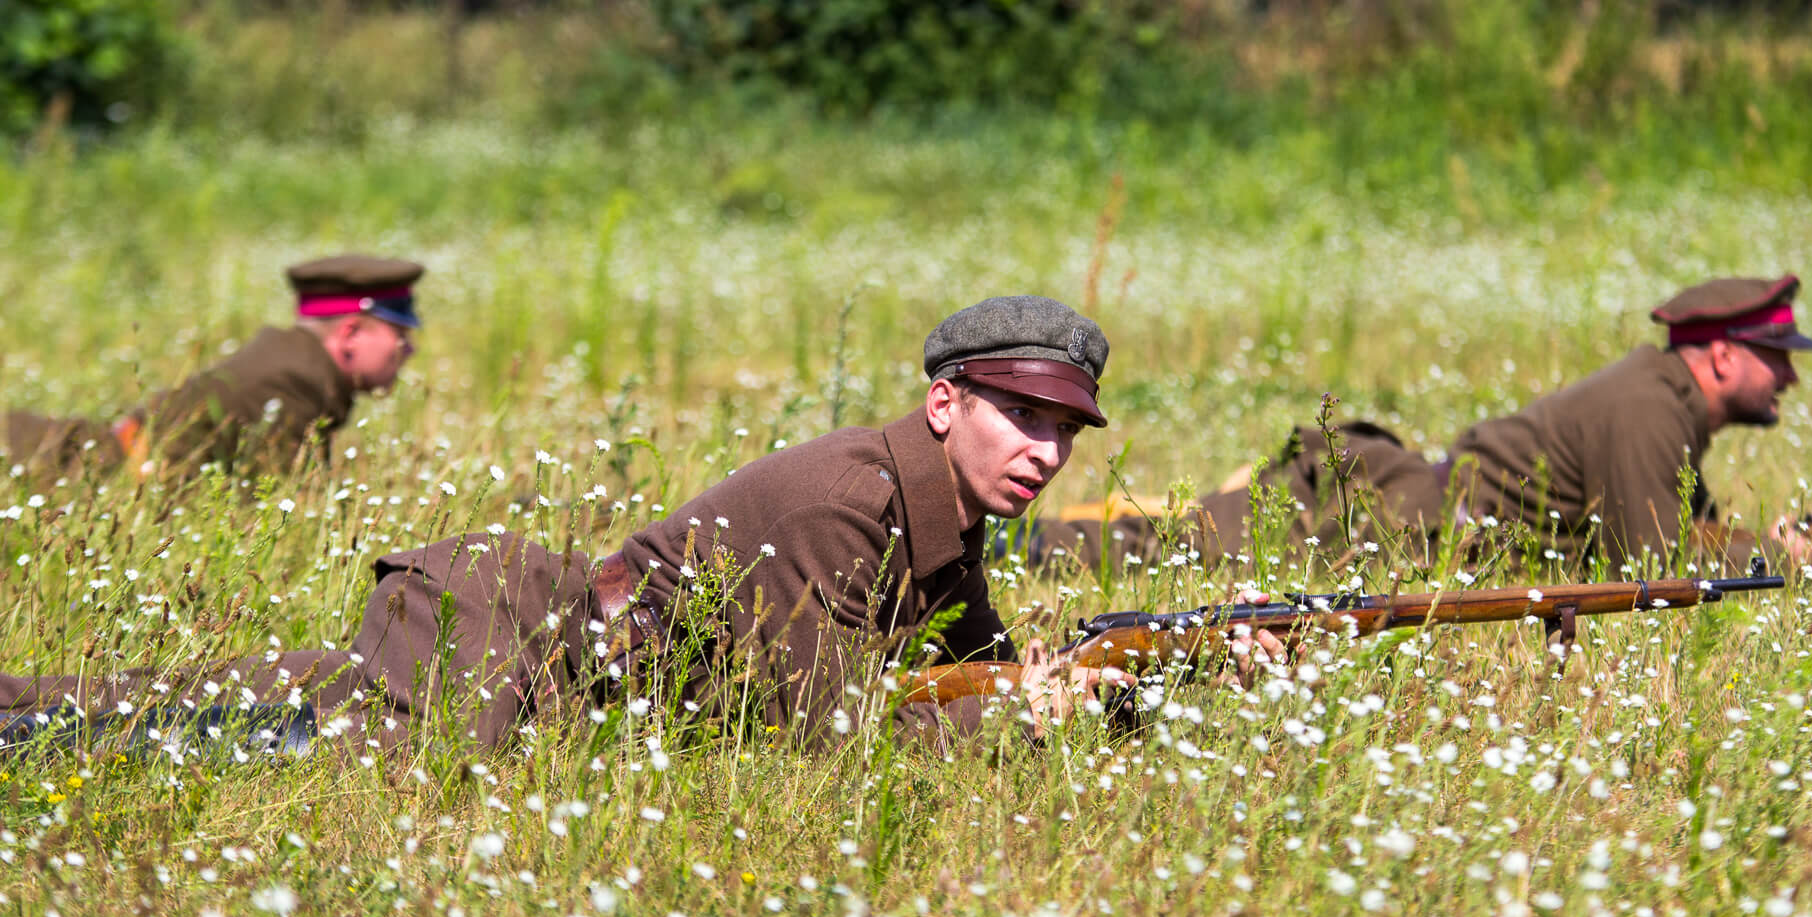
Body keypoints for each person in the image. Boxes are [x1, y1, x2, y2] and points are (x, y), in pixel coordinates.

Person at [0, 296, 1167, 757]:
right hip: (507, 644)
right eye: (1018, 416)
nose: (1045, 454)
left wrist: (1125, 684)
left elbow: (962, 672)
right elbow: (842, 745)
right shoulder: (847, 503)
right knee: (215, 741)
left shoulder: (935, 508)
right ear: (945, 403)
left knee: (173, 711)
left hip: (537, 661)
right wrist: (1032, 723)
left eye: (1066, 433)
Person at [1025, 275, 1812, 573]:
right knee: (1174, 551)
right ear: (1718, 356)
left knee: (1182, 536)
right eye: (1774, 354)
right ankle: (1007, 547)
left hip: (1420, 516)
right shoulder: (1651, 404)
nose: (1788, 372)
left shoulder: (1663, 397)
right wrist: (1781, 560)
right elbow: (1651, 562)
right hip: (1406, 525)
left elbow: (1678, 528)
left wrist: (1781, 543)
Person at [4, 255, 422, 478]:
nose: (409, 351)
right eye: (400, 336)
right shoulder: (294, 383)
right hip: (60, 467)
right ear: (349, 333)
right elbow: (277, 516)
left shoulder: (302, 366)